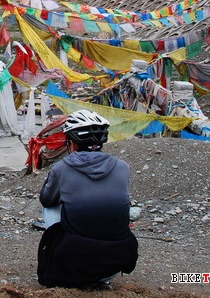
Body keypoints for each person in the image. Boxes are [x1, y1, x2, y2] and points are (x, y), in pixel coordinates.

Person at [37, 109, 138, 288]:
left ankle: (73, 267)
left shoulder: (61, 169)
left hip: (76, 257)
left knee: (52, 206)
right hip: (120, 256)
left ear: (72, 143)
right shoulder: (123, 167)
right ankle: (103, 276)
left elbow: (46, 200)